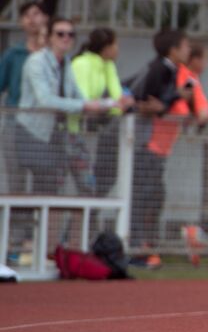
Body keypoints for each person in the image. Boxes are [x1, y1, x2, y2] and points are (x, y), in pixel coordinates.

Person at [16, 18, 131, 251]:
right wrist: (87, 106)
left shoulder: (67, 63)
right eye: (60, 34)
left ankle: (78, 249)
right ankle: (42, 249)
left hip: (66, 134)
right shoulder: (37, 62)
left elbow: (81, 99)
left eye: (70, 34)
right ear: (49, 37)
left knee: (87, 188)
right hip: (37, 136)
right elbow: (45, 100)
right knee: (47, 192)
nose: (66, 38)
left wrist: (108, 104)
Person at [128, 29, 196, 256]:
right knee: (142, 192)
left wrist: (173, 98)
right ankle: (135, 244)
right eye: (185, 46)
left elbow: (160, 103)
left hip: (152, 143)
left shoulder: (170, 69)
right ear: (173, 50)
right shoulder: (159, 68)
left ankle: (143, 242)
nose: (189, 50)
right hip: (144, 141)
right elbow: (148, 102)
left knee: (153, 192)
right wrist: (175, 97)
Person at [70, 26, 127, 195]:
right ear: (106, 47)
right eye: (116, 45)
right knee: (56, 187)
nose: (118, 49)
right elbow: (83, 99)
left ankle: (83, 221)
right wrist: (109, 104)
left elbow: (118, 98)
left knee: (87, 187)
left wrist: (117, 105)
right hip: (67, 130)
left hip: (81, 133)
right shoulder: (82, 63)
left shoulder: (107, 64)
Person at [0, 1, 48, 107]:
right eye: (26, 15)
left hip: (47, 115)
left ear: (46, 18)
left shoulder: (53, 54)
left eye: (36, 14)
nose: (31, 19)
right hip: (16, 114)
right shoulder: (13, 53)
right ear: (21, 21)